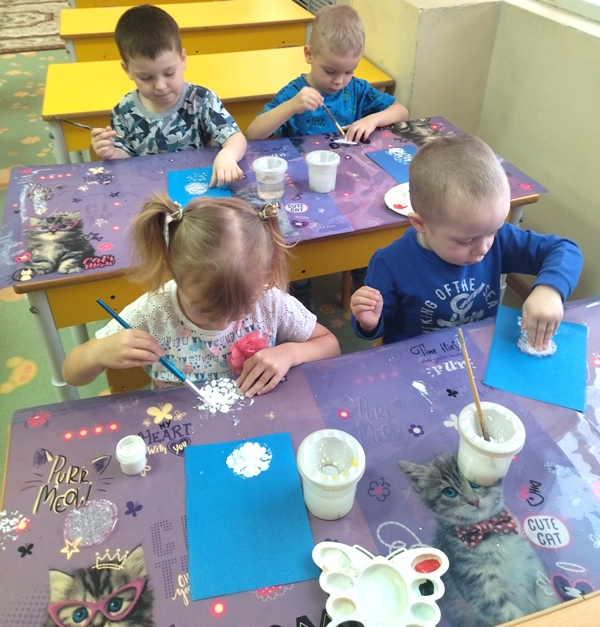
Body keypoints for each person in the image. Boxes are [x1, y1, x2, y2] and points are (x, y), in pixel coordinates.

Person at [62, 194, 340, 397]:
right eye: (206, 311)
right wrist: (97, 353)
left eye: (242, 310)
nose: (223, 324)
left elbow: (330, 345)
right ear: (172, 270)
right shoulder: (153, 311)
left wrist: (290, 352)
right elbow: (71, 373)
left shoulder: (269, 301)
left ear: (265, 276)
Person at [351, 133, 583, 351]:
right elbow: (376, 328)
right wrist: (369, 322)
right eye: (466, 241)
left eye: (493, 231)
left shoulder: (496, 238)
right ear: (420, 223)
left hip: (479, 351)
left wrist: (550, 290)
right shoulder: (390, 263)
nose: (483, 249)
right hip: (418, 360)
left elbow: (565, 249)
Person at [246, 5, 410, 312]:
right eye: (330, 71)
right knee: (296, 249)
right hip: (303, 189)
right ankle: (300, 301)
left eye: (349, 71)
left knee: (367, 234)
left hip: (349, 186)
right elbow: (253, 133)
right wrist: (292, 107)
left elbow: (401, 111)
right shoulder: (295, 93)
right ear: (309, 55)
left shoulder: (356, 90)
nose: (339, 81)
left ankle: (365, 286)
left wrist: (372, 119)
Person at [91, 5, 246, 188]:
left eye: (169, 73)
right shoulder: (124, 111)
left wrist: (227, 155)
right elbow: (126, 158)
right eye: (146, 77)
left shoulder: (201, 99)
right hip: (149, 191)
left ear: (183, 59)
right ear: (127, 70)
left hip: (195, 187)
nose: (160, 86)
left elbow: (236, 138)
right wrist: (112, 153)